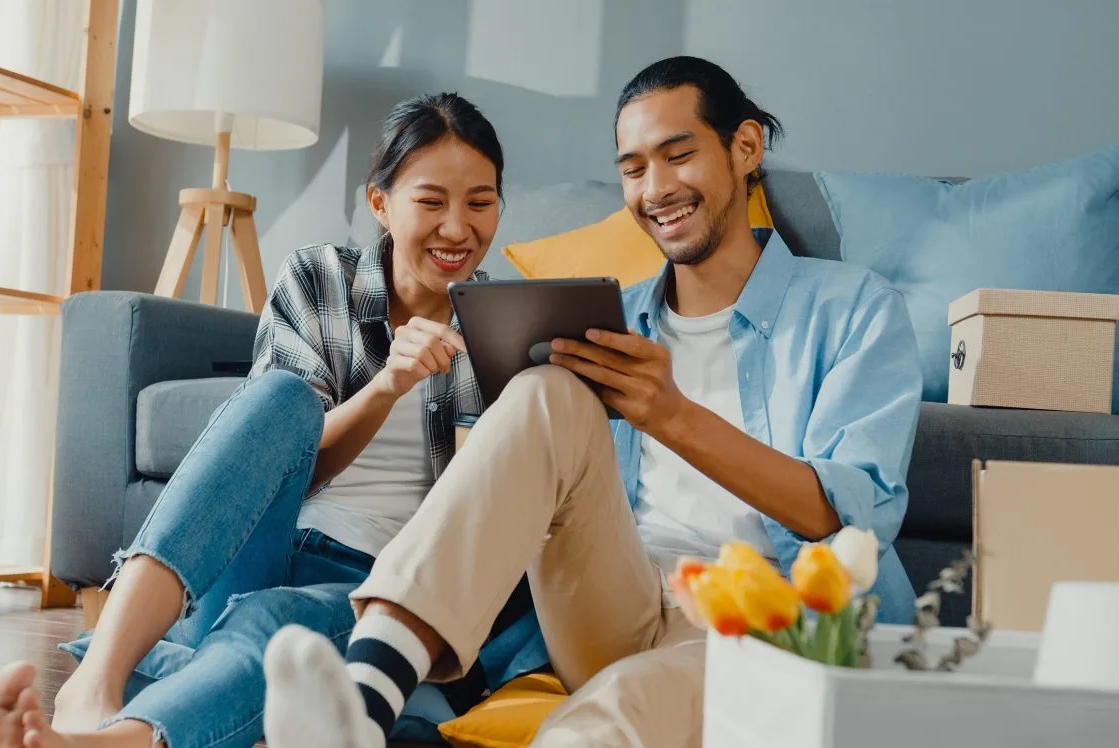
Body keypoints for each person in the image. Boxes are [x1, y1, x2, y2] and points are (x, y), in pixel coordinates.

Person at [259, 55, 924, 748]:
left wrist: (671, 415)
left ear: (745, 148)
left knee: (612, 712)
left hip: (767, 622)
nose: (656, 189)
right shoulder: (607, 320)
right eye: (634, 169)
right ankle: (363, 705)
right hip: (616, 603)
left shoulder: (853, 310)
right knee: (545, 389)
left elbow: (852, 517)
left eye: (678, 156)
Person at [3, 92, 546, 748]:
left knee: (277, 633)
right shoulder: (319, 279)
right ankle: (96, 687)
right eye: (431, 202)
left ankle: (117, 737)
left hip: (380, 589)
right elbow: (290, 460)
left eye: (480, 203)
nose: (457, 228)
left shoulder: (505, 327)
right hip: (264, 548)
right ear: (381, 203)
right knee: (281, 397)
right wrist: (385, 389)